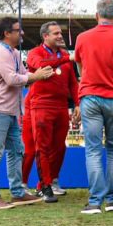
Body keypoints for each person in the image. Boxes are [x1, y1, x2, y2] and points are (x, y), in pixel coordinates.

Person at [0, 17, 53, 209]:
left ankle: (18, 193)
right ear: (7, 33)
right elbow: (12, 79)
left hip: (10, 111)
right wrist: (36, 76)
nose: (22, 33)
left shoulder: (13, 53)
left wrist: (36, 76)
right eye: (18, 30)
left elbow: (24, 78)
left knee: (17, 151)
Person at [75, 0, 113, 215]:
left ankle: (95, 201)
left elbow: (80, 70)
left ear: (96, 15)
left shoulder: (83, 38)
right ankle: (112, 200)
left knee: (93, 150)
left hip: (90, 97)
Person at [25, 21, 79, 202]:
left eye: (60, 33)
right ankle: (44, 185)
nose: (60, 36)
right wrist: (67, 58)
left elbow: (73, 82)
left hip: (61, 105)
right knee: (42, 147)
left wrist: (77, 104)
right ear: (45, 36)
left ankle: (52, 180)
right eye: (55, 33)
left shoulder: (64, 55)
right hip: (41, 104)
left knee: (59, 147)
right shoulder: (34, 53)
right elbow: (41, 64)